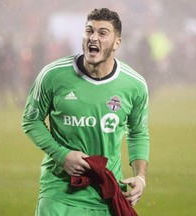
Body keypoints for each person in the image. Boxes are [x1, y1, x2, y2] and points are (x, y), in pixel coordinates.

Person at [22, 8, 149, 216]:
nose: (93, 37)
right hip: (59, 192)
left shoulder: (134, 85)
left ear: (117, 42)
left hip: (105, 192)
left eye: (102, 33)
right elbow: (31, 121)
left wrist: (140, 176)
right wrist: (63, 156)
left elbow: (138, 132)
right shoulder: (53, 75)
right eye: (89, 31)